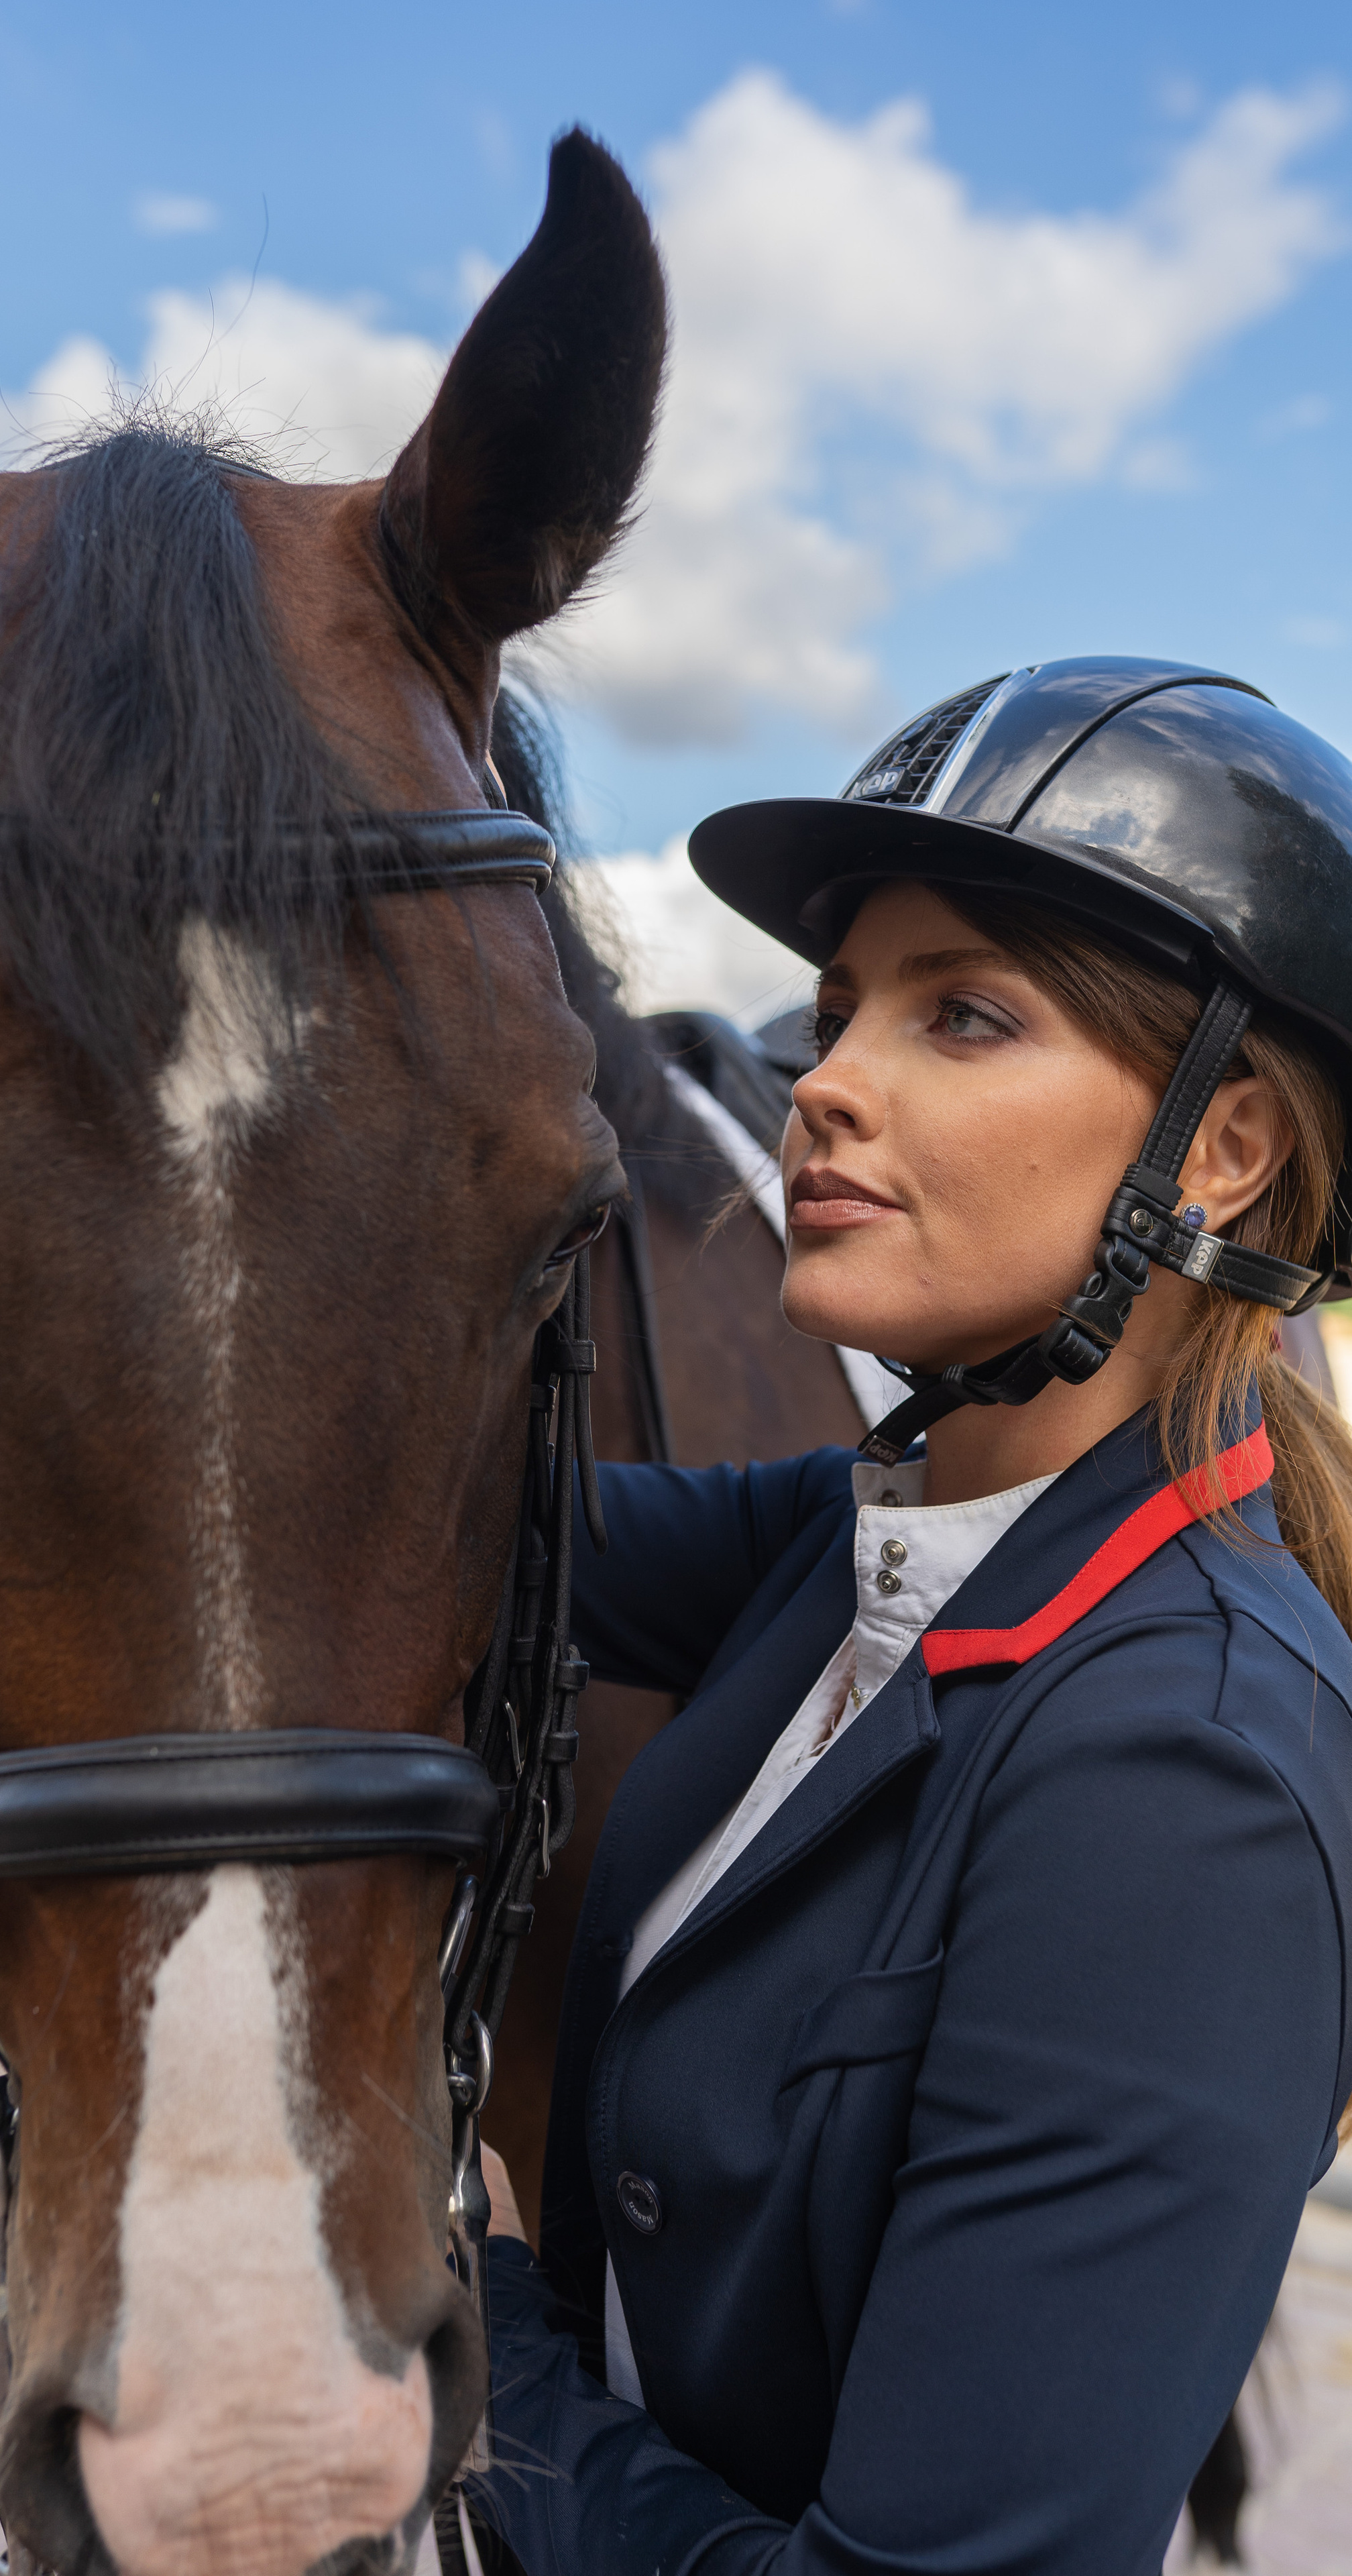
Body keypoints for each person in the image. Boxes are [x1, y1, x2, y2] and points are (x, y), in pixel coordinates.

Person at [473, 657, 1352, 2576]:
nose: (826, 1079)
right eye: (841, 1007)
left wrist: (446, 2345)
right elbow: (470, 1547)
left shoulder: (1180, 1788)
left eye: (963, 1014)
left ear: (1221, 1153)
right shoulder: (868, 1519)